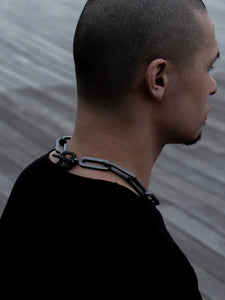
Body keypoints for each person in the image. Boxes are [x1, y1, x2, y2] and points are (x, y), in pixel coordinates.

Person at [0, 0, 219, 298]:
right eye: (208, 66)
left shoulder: (32, 185)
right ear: (158, 79)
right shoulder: (155, 265)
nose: (213, 86)